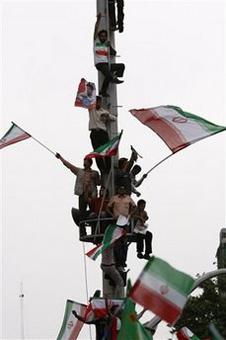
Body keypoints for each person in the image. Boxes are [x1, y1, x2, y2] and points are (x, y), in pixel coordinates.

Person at [55, 153, 100, 236]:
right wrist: (61, 158)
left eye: (86, 161)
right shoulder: (79, 171)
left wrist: (95, 178)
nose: (84, 163)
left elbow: (99, 183)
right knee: (82, 214)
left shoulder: (95, 173)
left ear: (89, 163)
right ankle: (83, 233)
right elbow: (69, 166)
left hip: (92, 195)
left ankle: (95, 231)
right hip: (82, 194)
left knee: (93, 213)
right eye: (84, 161)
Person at [94, 13, 125, 97]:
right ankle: (112, 79)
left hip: (107, 64)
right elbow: (96, 29)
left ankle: (110, 81)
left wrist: (110, 46)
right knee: (108, 74)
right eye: (102, 36)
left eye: (104, 36)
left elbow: (114, 53)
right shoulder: (96, 42)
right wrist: (98, 19)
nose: (103, 37)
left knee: (121, 66)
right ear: (99, 37)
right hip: (99, 64)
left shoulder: (106, 45)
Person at [88, 96, 116, 176]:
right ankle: (102, 170)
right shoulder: (91, 109)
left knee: (107, 151)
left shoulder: (104, 111)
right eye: (96, 101)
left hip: (103, 133)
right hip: (94, 133)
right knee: (97, 152)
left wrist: (106, 116)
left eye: (99, 102)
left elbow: (114, 118)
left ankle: (108, 168)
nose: (98, 103)